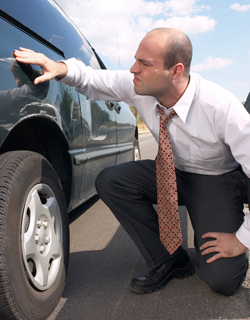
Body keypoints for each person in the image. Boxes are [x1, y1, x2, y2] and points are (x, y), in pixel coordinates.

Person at [14, 27, 250, 296]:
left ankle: (232, 251)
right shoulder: (139, 86)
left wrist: (240, 240)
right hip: (174, 174)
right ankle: (171, 260)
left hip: (216, 180)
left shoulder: (221, 108)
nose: (132, 69)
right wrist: (58, 67)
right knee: (112, 181)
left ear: (175, 71)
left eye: (144, 63)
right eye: (136, 59)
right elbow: (93, 79)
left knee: (222, 281)